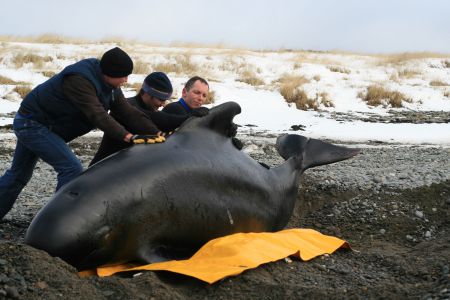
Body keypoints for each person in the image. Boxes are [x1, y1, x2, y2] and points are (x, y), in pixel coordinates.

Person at [0, 47, 161, 221]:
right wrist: (127, 136)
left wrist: (157, 132)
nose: (126, 80)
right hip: (32, 124)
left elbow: (127, 112)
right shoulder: (79, 80)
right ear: (109, 72)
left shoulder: (110, 85)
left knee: (18, 175)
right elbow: (97, 114)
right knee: (71, 169)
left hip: (41, 124)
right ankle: (52, 224)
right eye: (123, 75)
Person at [89, 72, 198, 166]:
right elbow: (160, 119)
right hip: (101, 169)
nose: (163, 104)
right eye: (160, 99)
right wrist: (189, 117)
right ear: (147, 93)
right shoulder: (127, 107)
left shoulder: (147, 108)